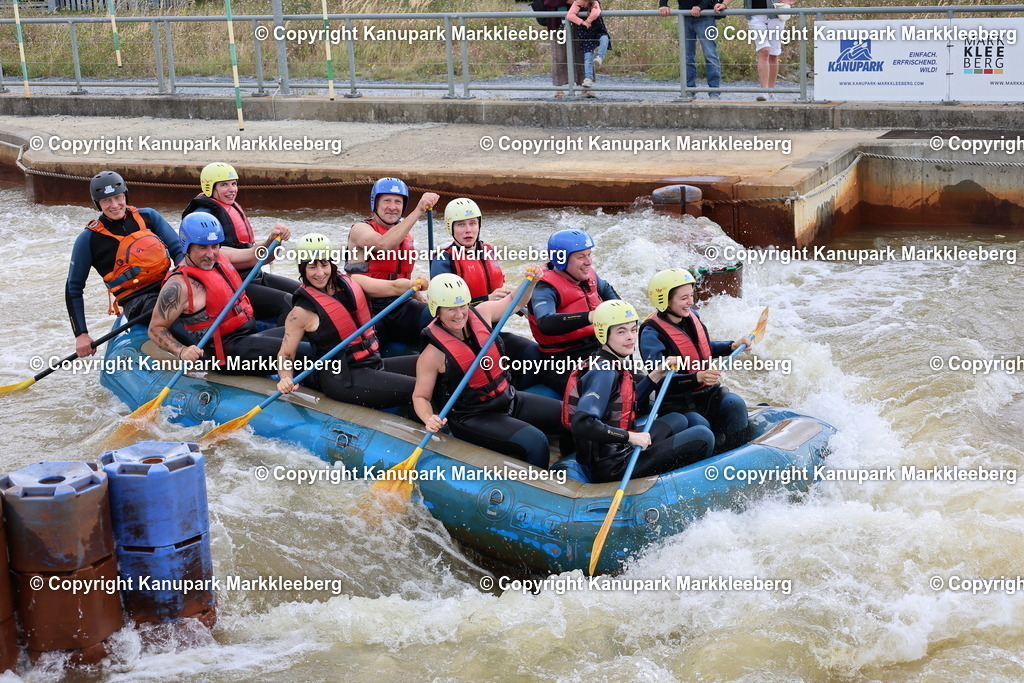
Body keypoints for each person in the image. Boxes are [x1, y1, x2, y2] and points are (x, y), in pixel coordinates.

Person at [413, 271, 567, 469]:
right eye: (451, 309)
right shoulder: (432, 355)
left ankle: (572, 467)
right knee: (536, 442)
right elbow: (420, 397)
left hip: (508, 398)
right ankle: (537, 485)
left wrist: (531, 282)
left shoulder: (483, 313)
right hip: (473, 416)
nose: (459, 314)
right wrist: (429, 418)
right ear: (437, 310)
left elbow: (515, 302)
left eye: (462, 306)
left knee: (570, 416)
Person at [563, 299, 715, 484]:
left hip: (619, 447)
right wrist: (630, 437)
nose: (631, 337)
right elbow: (582, 423)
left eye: (633, 330)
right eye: (621, 332)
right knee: (703, 436)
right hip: (615, 466)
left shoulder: (608, 360)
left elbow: (624, 403)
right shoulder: (604, 372)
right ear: (603, 334)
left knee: (680, 418)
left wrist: (657, 373)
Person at [148, 213, 310, 375]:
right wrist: (181, 351)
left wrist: (272, 240)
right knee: (306, 352)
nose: (210, 254)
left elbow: (258, 256)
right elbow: (156, 328)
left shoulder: (220, 256)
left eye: (214, 246)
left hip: (249, 338)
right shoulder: (178, 286)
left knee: (311, 331)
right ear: (186, 246)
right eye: (202, 247)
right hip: (228, 356)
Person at [276, 233, 420, 410]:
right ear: (302, 269)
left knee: (434, 367)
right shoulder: (300, 313)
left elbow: (393, 286)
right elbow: (285, 355)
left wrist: (415, 283)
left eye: (324, 265)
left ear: (331, 263)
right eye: (312, 267)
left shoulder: (354, 282)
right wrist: (285, 377)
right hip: (344, 378)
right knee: (421, 388)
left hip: (373, 362)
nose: (320, 273)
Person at [66, 171, 184, 358]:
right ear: (98, 204)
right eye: (106, 201)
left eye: (118, 197)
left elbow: (178, 250)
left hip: (168, 284)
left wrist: (188, 280)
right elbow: (73, 288)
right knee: (171, 310)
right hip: (137, 301)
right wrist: (81, 334)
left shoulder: (148, 217)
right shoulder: (89, 239)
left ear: (125, 196)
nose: (114, 205)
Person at [431, 198, 542, 388]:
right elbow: (443, 308)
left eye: (473, 223)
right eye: (461, 225)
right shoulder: (443, 260)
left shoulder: (488, 251)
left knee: (533, 353)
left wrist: (523, 308)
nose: (468, 230)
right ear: (451, 228)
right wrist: (485, 299)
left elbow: (502, 295)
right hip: (464, 336)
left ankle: (517, 391)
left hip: (492, 330)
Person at [639, 268, 750, 449]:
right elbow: (659, 378)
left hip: (707, 394)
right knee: (700, 424)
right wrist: (697, 377)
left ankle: (735, 451)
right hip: (677, 403)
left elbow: (700, 349)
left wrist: (731, 346)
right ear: (664, 301)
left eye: (691, 295)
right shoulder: (651, 334)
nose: (691, 302)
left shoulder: (692, 316)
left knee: (735, 404)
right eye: (684, 298)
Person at [182, 162, 299, 322]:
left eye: (234, 184)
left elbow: (262, 258)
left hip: (253, 275)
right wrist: (268, 242)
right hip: (233, 284)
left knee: (302, 292)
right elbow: (237, 258)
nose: (232, 189)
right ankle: (287, 338)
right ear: (209, 187)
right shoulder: (203, 219)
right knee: (287, 302)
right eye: (224, 185)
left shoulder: (227, 207)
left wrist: (276, 240)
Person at [345, 177, 438, 347]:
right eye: (387, 201)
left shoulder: (407, 237)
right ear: (375, 203)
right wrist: (418, 210)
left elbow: (405, 279)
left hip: (400, 304)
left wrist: (423, 300)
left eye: (398, 202)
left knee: (439, 318)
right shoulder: (360, 229)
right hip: (368, 307)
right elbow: (383, 244)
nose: (393, 207)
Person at [526, 229, 619, 392]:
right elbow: (546, 323)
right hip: (561, 362)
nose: (589, 262)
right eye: (581, 257)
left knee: (632, 380)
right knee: (608, 389)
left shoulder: (589, 276)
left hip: (597, 350)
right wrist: (591, 316)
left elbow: (611, 296)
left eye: (589, 255)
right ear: (561, 260)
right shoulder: (543, 287)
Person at [714, 0, 794, 100]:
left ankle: (771, 91)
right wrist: (724, 4)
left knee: (773, 54)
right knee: (764, 50)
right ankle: (764, 91)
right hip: (755, 15)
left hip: (776, 14)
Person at [659, 0, 722, 99]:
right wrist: (663, 5)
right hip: (685, 16)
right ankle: (689, 90)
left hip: (705, 16)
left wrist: (700, 6)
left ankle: (714, 91)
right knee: (686, 55)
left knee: (710, 54)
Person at [543, 0, 585, 97]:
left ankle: (585, 87)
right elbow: (547, 2)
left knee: (582, 54)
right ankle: (559, 89)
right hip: (557, 23)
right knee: (559, 55)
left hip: (580, 22)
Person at [566, 0, 611, 90]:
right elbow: (570, 15)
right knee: (588, 56)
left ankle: (600, 57)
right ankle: (588, 78)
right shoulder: (577, 4)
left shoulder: (594, 2)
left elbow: (596, 12)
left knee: (604, 38)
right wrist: (582, 22)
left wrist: (588, 21)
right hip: (585, 33)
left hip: (597, 29)